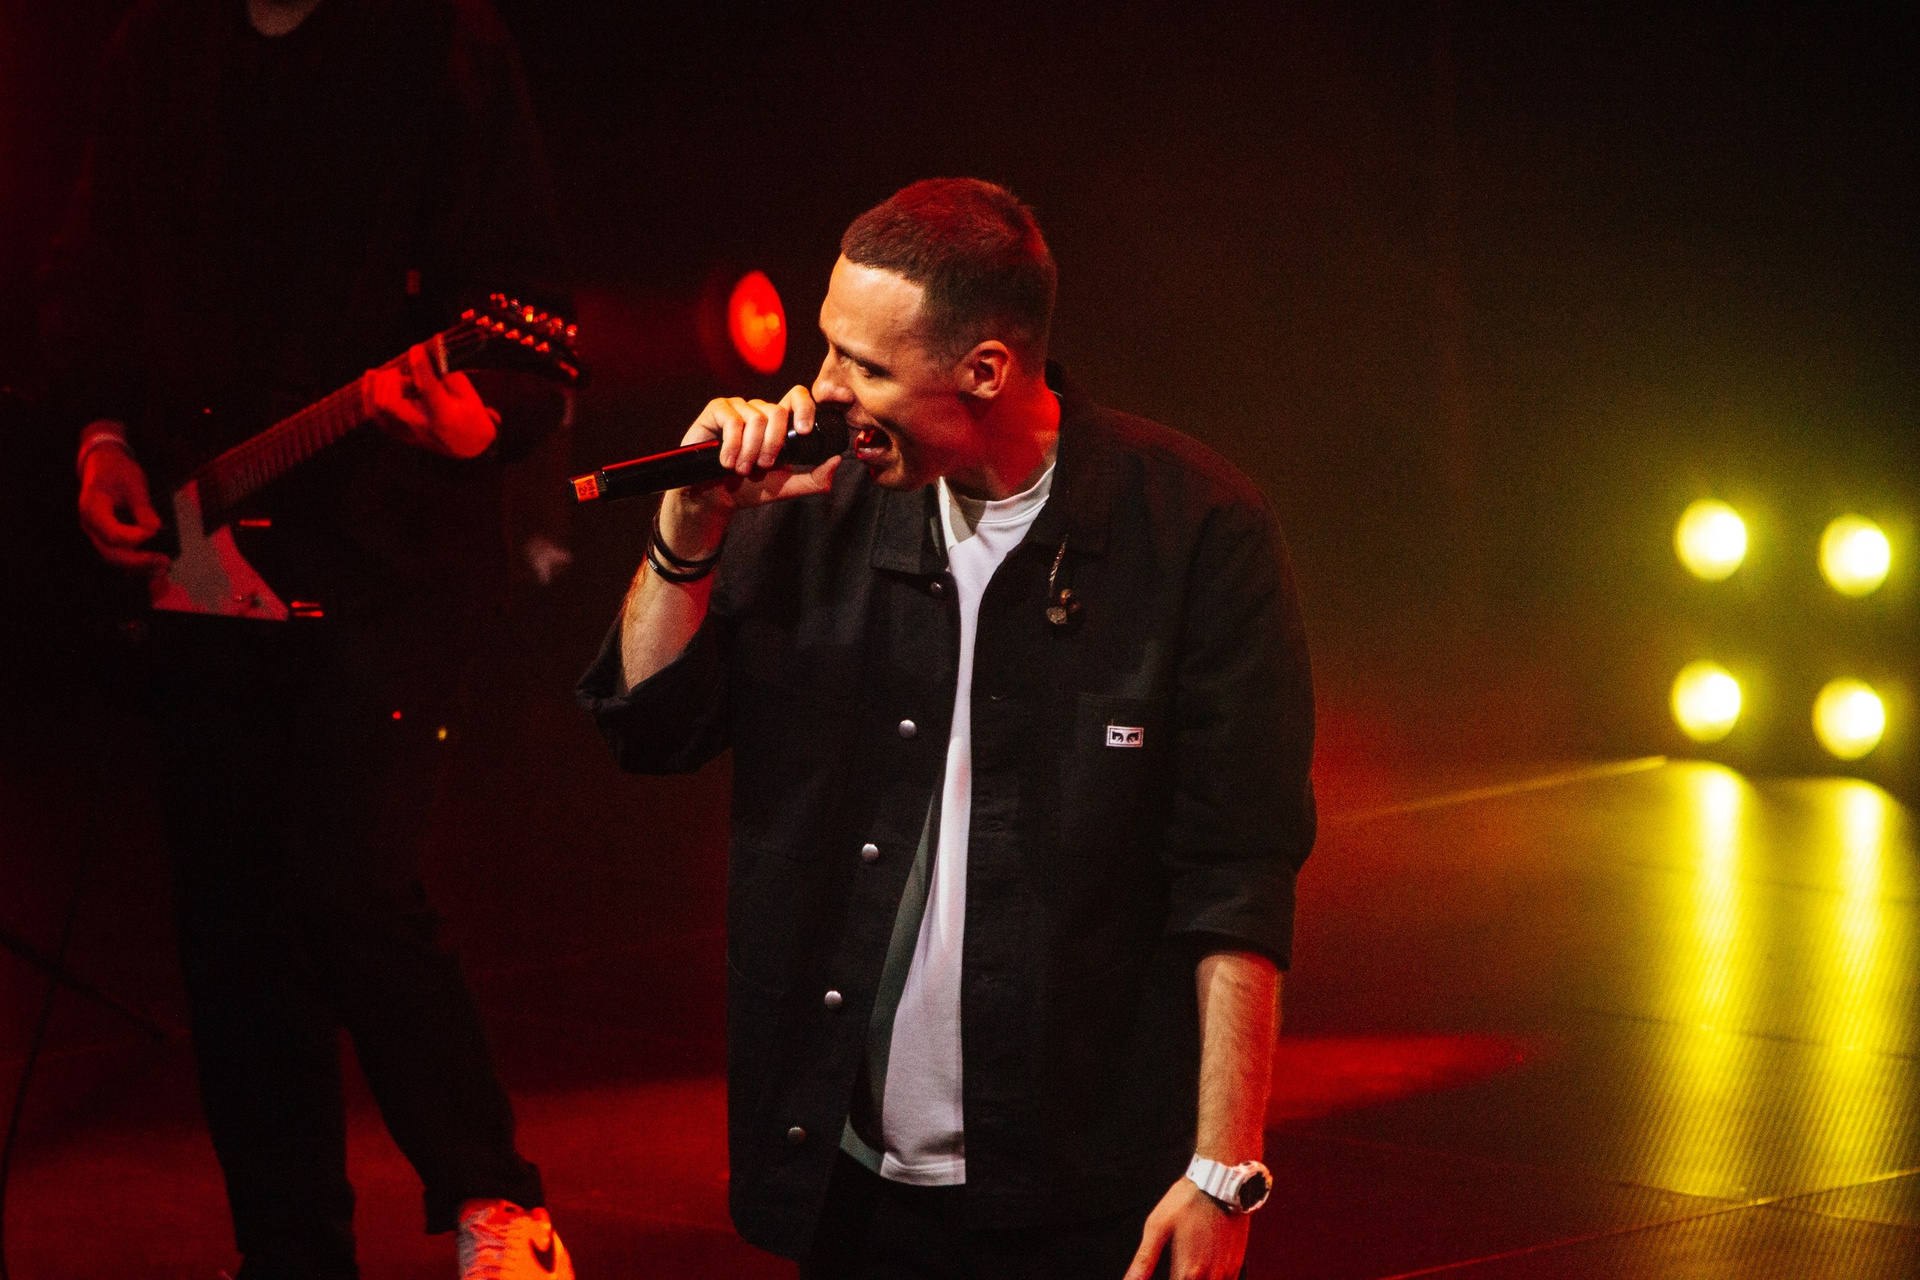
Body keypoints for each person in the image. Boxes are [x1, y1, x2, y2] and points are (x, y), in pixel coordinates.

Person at [578, 178, 1315, 1278]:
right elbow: (647, 728)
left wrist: (1222, 1170)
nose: (824, 389)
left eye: (866, 366)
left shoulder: (1193, 530)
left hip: (1086, 1193)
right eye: (829, 347)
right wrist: (690, 525)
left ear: (986, 369)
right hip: (849, 1183)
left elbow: (1236, 874)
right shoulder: (810, 506)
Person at [40, 1, 576, 1276]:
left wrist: (481, 422)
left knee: (351, 878)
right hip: (202, 528)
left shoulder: (445, 42)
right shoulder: (155, 46)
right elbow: (92, 270)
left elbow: (527, 313)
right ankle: (288, 1249)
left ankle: (496, 1201)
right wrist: (103, 440)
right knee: (231, 928)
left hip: (389, 547)